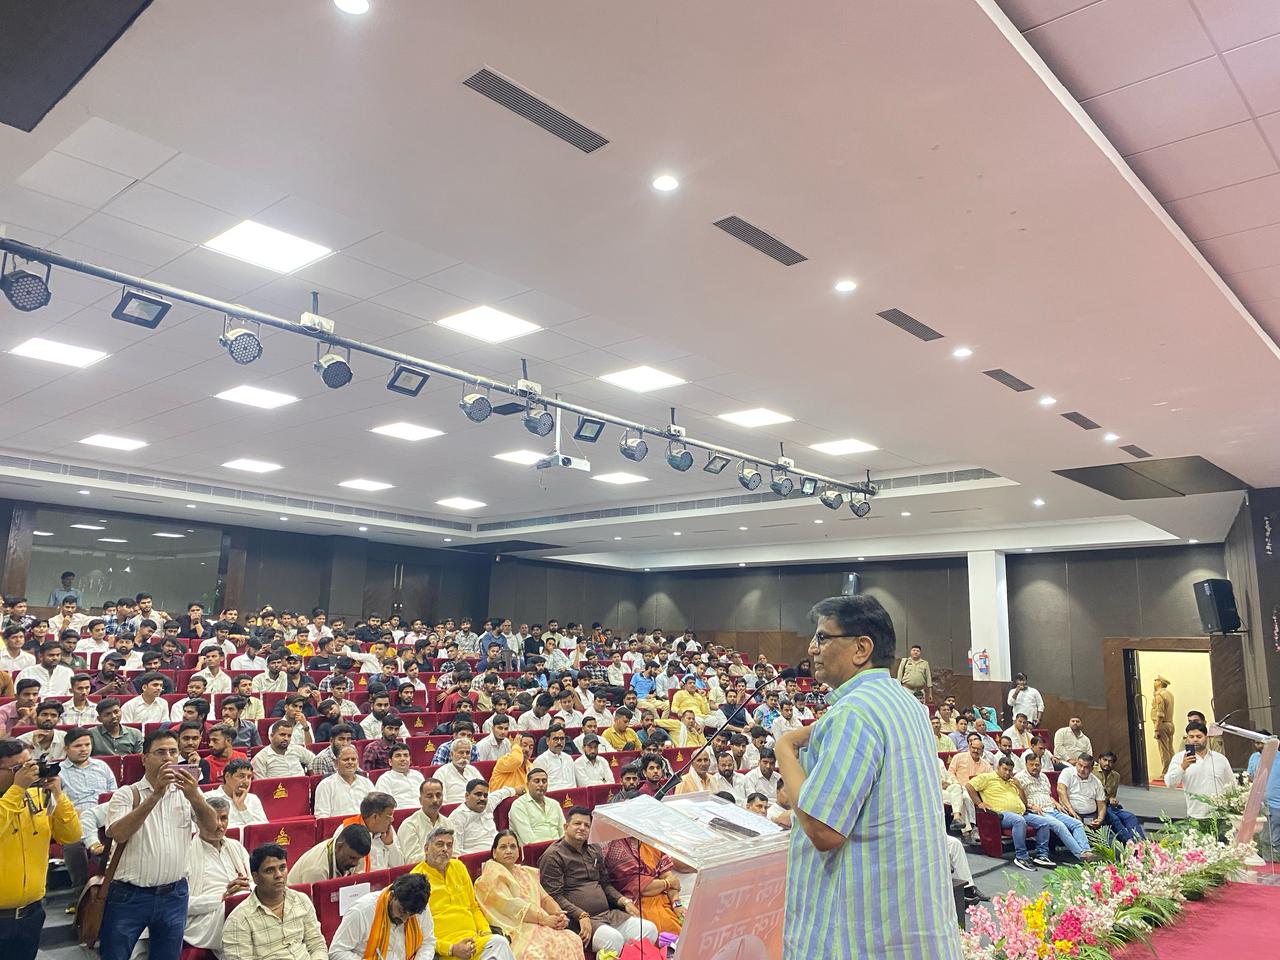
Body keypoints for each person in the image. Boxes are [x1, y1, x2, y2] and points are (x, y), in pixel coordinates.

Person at [774, 595, 960, 958]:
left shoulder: (854, 712)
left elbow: (823, 829)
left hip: (859, 932)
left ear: (861, 648)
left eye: (823, 637)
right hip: (906, 920)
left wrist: (784, 747)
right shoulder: (907, 703)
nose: (812, 648)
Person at [101, 728, 219, 960]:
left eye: (173, 752)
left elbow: (212, 829)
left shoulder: (187, 792)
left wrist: (195, 796)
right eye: (160, 752)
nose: (168, 758)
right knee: (115, 955)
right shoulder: (127, 794)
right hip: (129, 895)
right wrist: (155, 795)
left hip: (174, 894)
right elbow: (119, 834)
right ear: (145, 759)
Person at [0, 738, 81, 959]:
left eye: (30, 765)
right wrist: (17, 789)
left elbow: (72, 835)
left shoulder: (37, 796)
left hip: (31, 913)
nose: (28, 773)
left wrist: (58, 796)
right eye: (18, 769)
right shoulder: (18, 793)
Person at [540, 807, 659, 955]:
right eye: (577, 823)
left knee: (648, 929)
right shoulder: (553, 856)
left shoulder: (594, 849)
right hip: (577, 921)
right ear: (565, 827)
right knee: (613, 939)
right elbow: (554, 896)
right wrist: (581, 915)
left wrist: (624, 901)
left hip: (608, 915)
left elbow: (605, 884)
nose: (582, 828)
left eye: (586, 825)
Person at [475, 830, 585, 960]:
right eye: (503, 847)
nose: (509, 851)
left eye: (513, 847)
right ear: (494, 852)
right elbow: (513, 908)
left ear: (518, 851)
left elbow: (545, 899)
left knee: (573, 939)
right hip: (516, 929)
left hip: (541, 923)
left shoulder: (524, 872)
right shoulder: (490, 876)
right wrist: (544, 919)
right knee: (536, 954)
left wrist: (558, 915)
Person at [223, 843, 328, 960]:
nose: (279, 875)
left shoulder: (301, 900)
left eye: (282, 868)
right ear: (255, 877)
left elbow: (317, 944)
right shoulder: (238, 920)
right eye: (269, 870)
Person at [184, 794, 251, 957]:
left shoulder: (236, 847)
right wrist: (223, 897)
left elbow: (254, 884)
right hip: (205, 918)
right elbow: (181, 904)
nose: (219, 824)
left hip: (243, 904)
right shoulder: (186, 854)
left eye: (223, 818)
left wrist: (248, 889)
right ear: (198, 820)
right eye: (213, 818)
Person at [59, 727, 118, 905]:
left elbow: (114, 794)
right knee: (73, 844)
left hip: (104, 816)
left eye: (87, 745)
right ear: (66, 748)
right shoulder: (59, 772)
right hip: (74, 818)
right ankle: (81, 892)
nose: (84, 749)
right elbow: (54, 803)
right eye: (78, 746)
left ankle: (113, 887)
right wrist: (73, 813)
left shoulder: (102, 766)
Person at [967, 757, 1054, 872]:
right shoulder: (987, 777)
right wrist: (979, 803)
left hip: (1021, 812)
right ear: (998, 767)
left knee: (1043, 822)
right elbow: (969, 786)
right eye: (1005, 769)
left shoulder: (1012, 782)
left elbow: (1024, 803)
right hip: (1000, 815)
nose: (1008, 773)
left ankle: (1042, 855)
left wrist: (1020, 787)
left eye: (1010, 770)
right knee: (1019, 821)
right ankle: (1021, 856)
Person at [331, 872, 437, 960]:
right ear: (392, 896)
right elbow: (337, 951)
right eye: (401, 911)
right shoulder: (361, 911)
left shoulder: (418, 907)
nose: (404, 919)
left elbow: (428, 942)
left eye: (411, 915)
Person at [1015, 754, 1094, 861]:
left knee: (1077, 823)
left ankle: (1086, 850)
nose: (1034, 767)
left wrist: (1057, 804)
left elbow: (1049, 795)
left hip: (1052, 809)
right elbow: (1017, 799)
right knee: (1060, 826)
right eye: (1031, 765)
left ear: (1041, 765)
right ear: (1026, 764)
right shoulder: (1019, 778)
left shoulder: (1043, 776)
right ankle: (1080, 854)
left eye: (1037, 765)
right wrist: (1031, 806)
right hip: (1037, 812)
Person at [603, 835, 684, 936]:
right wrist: (667, 883)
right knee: (669, 931)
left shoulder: (653, 843)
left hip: (664, 900)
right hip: (636, 903)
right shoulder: (616, 847)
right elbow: (641, 887)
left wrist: (677, 904)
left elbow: (672, 880)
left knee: (687, 922)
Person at [1164, 721, 1234, 831]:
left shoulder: (1220, 759)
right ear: (1187, 739)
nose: (1195, 739)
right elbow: (1170, 783)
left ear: (1206, 737)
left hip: (1221, 817)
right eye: (1191, 737)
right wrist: (1183, 766)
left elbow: (1231, 786)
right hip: (1196, 816)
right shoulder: (1180, 758)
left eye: (1199, 736)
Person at [333, 792, 405, 871]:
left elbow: (400, 866)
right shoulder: (346, 830)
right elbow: (336, 867)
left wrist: (390, 844)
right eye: (389, 816)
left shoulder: (388, 831)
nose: (392, 820)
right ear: (375, 817)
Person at [448, 777, 519, 855]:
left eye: (485, 795)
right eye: (478, 794)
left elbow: (500, 794)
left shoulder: (488, 804)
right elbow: (456, 851)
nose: (482, 798)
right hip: (478, 858)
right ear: (467, 796)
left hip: (501, 853)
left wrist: (516, 790)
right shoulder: (457, 817)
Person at [287, 822, 372, 883]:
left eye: (359, 858)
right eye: (352, 858)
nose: (356, 863)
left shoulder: (356, 853)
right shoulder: (317, 869)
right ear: (339, 846)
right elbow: (313, 902)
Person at [1093, 750, 1146, 842]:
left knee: (1130, 816)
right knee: (1114, 819)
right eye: (1105, 760)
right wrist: (1108, 800)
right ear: (1099, 760)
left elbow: (1112, 795)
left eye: (1110, 761)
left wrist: (1112, 800)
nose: (1107, 763)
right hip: (1096, 805)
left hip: (1109, 806)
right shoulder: (1092, 772)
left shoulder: (1116, 776)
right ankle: (1129, 843)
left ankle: (1142, 843)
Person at [314, 744, 375, 816]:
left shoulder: (367, 783)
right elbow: (322, 815)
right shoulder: (325, 785)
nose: (350, 762)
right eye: (346, 759)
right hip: (339, 823)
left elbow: (376, 809)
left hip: (364, 823)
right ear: (336, 763)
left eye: (353, 759)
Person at [509, 768, 566, 845]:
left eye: (544, 781)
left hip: (559, 848)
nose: (541, 784)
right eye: (537, 781)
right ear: (527, 785)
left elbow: (564, 832)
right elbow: (528, 840)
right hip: (535, 850)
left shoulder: (554, 804)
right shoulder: (519, 805)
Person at [216, 758, 267, 828]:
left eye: (249, 777)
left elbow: (263, 829)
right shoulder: (208, 798)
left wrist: (242, 807)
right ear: (227, 776)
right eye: (241, 776)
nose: (246, 781)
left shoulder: (253, 799)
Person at [438, 738, 486, 803]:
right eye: (461, 752)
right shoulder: (442, 772)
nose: (465, 756)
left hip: (477, 806)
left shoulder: (473, 770)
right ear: (451, 755)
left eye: (467, 753)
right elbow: (440, 802)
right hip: (455, 807)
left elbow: (485, 791)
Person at [379, 743, 426, 808]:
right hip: (400, 812)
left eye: (406, 755)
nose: (402, 759)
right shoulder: (385, 779)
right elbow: (384, 806)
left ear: (410, 760)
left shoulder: (418, 775)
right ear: (390, 762)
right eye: (398, 756)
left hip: (422, 811)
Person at [1151, 676, 1175, 775]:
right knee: (1170, 750)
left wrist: (1156, 729)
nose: (1154, 682)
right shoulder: (1169, 694)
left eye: (1155, 680)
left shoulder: (1159, 695)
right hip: (1170, 724)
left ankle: (1166, 772)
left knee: (1164, 750)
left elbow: (1160, 714)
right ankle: (1174, 771)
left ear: (1159, 682)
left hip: (1162, 725)